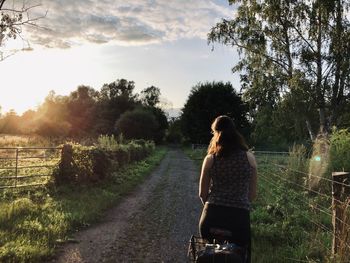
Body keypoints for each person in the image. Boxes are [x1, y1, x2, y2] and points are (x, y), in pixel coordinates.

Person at [198, 115, 257, 263]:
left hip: (211, 217)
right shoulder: (249, 158)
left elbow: (202, 194)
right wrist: (240, 202)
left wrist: (212, 206)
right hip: (239, 219)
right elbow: (252, 194)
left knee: (209, 254)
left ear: (216, 133)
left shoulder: (210, 159)